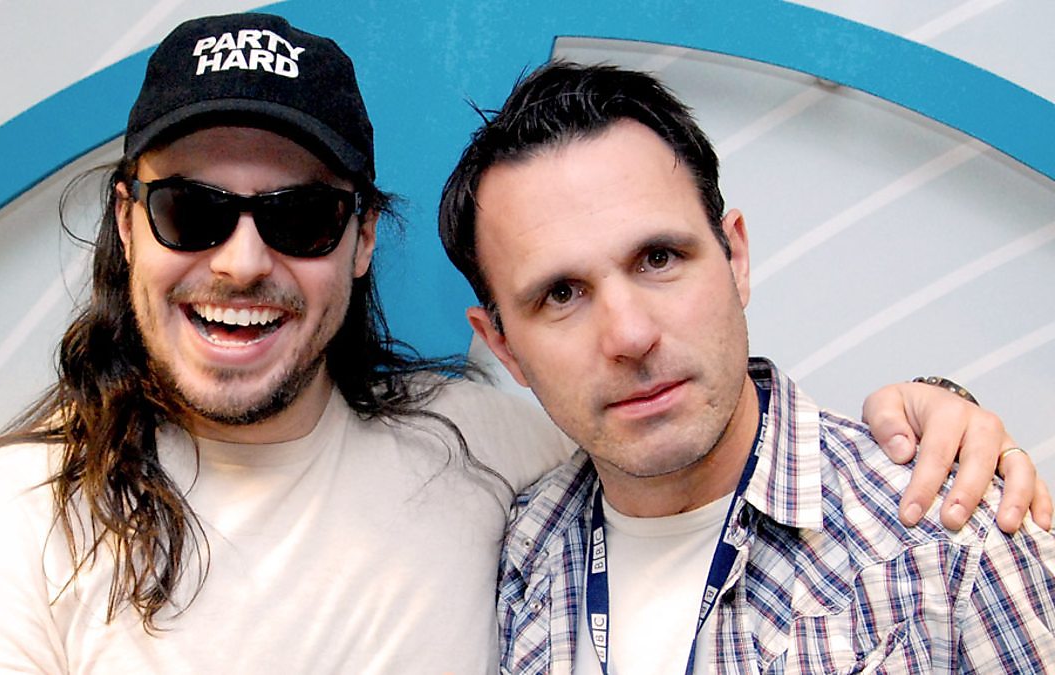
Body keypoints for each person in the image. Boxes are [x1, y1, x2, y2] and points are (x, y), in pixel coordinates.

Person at [0, 13, 1045, 674]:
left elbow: (720, 450)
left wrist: (929, 418)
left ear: (361, 241)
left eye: (299, 216)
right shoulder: (5, 525)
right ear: (129, 222)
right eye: (192, 210)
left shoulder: (487, 454)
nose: (241, 261)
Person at [437, 61, 1055, 673]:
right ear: (504, 347)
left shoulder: (951, 548)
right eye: (561, 294)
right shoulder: (510, 559)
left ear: (735, 258)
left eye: (659, 258)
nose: (629, 335)